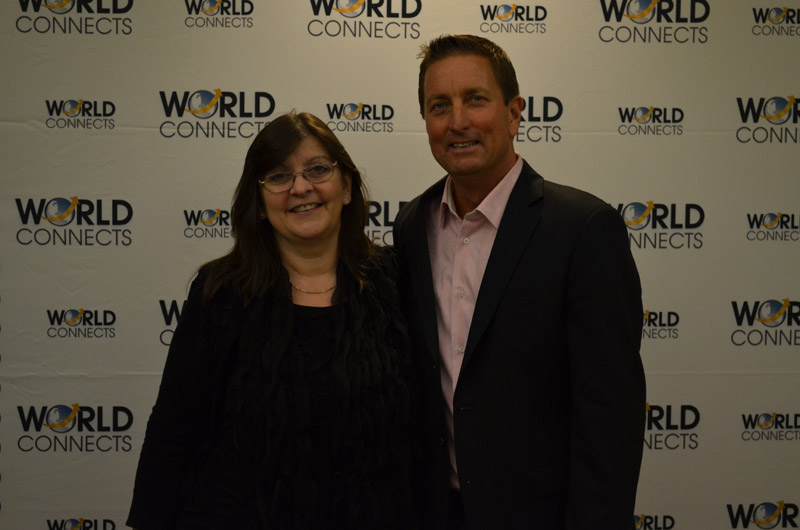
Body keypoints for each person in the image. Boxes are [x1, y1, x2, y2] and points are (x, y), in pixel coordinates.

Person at [393, 35, 646, 530]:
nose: (457, 121)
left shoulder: (583, 229)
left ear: (514, 114)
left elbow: (609, 415)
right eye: (439, 105)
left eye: (475, 99)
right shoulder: (411, 225)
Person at [128, 112, 416, 530]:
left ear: (347, 187)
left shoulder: (397, 283)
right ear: (259, 204)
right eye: (279, 177)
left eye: (318, 169)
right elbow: (175, 428)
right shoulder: (221, 292)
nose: (301, 187)